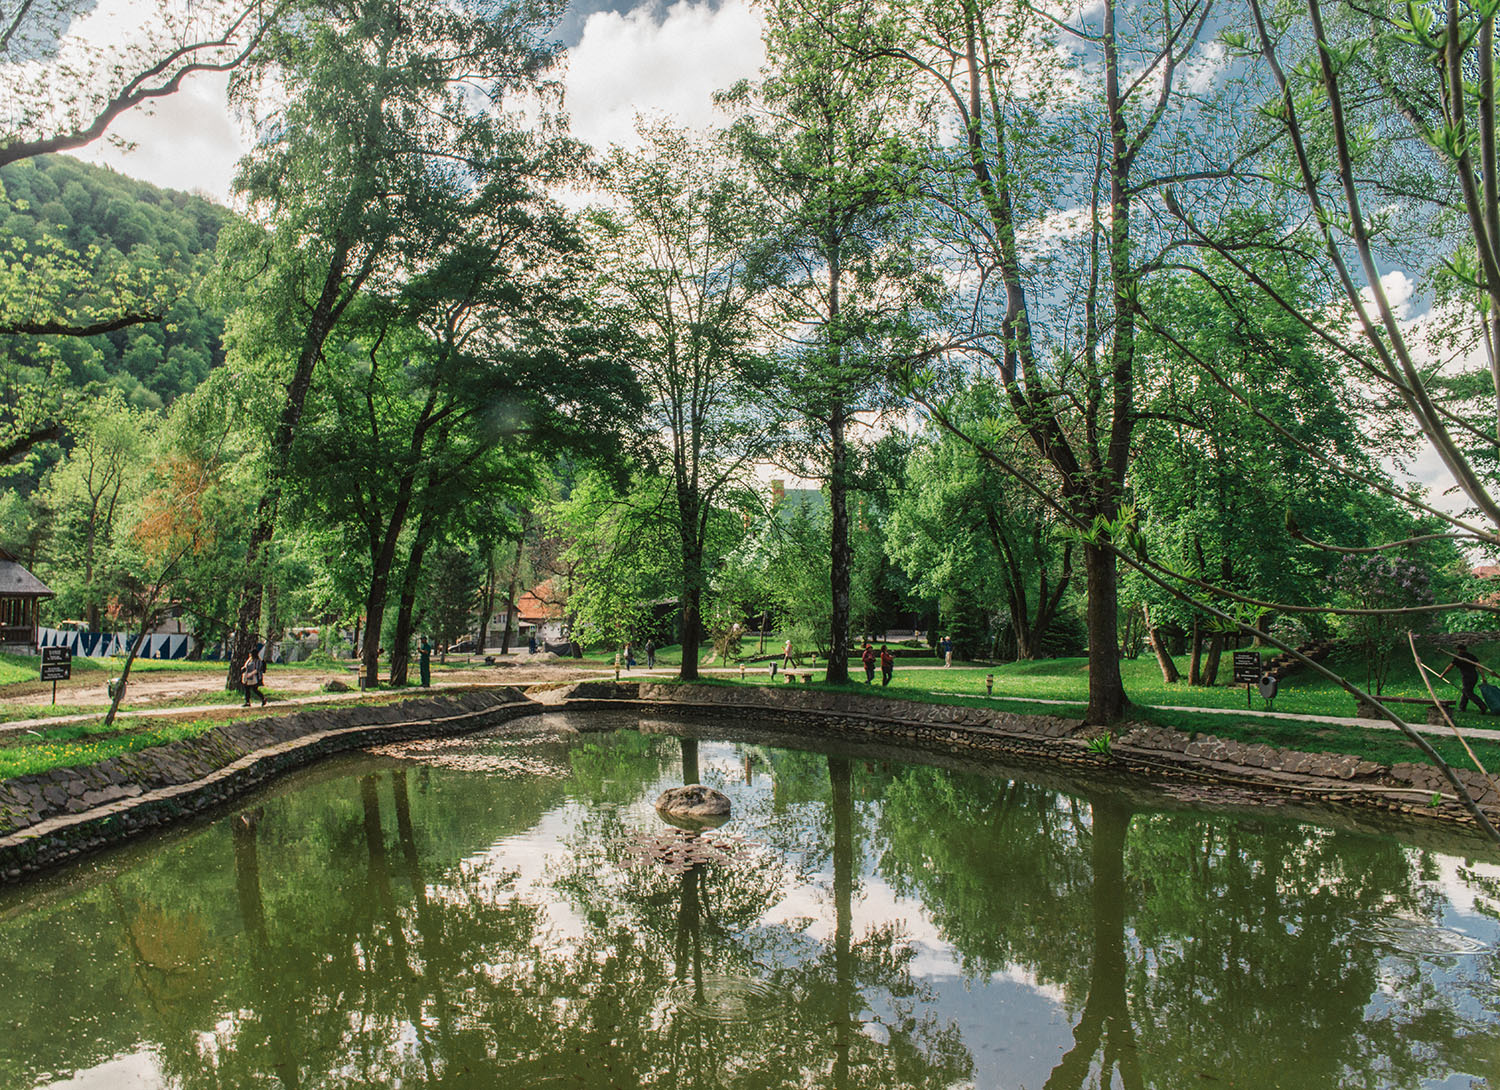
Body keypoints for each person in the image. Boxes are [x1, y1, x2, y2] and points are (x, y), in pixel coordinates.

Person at [1442, 643, 1487, 713]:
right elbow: (1479, 667)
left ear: (1459, 650)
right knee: (1465, 691)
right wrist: (1483, 677)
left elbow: (1450, 667)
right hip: (1474, 676)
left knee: (1468, 692)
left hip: (1467, 677)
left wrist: (1442, 674)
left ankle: (1482, 706)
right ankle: (1462, 708)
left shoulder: (1458, 657)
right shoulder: (1471, 656)